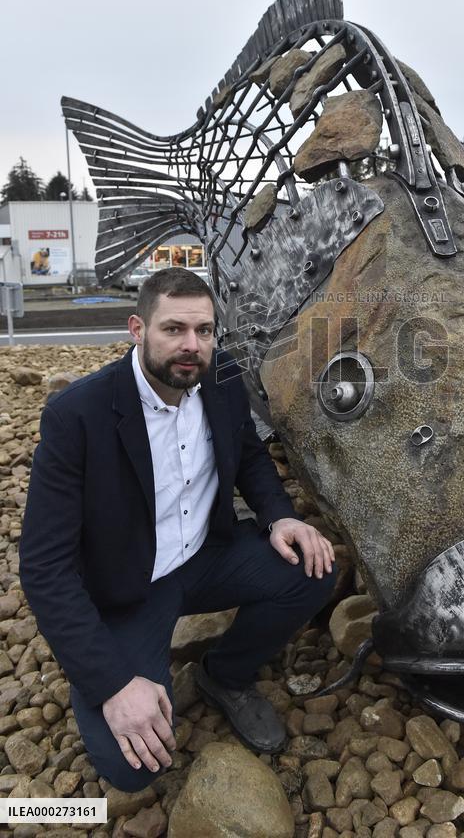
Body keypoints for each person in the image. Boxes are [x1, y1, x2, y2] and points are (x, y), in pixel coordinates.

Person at [19, 268, 336, 792]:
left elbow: (249, 454)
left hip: (208, 555)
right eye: (174, 329)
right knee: (132, 768)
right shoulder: (76, 416)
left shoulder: (222, 376)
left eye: (204, 330)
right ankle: (105, 677)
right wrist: (113, 684)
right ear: (137, 329)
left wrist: (280, 516)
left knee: (313, 567)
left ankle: (224, 675)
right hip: (130, 588)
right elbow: (43, 568)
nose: (192, 345)